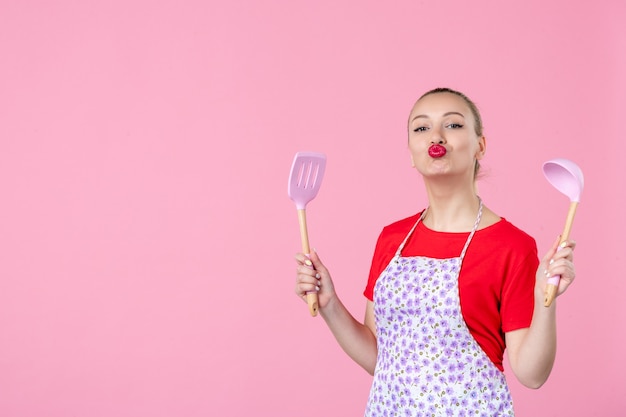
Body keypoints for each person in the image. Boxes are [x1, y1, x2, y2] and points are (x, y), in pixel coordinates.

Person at [293, 87, 576, 416]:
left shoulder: (511, 246)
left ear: (480, 146)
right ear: (411, 152)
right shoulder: (392, 239)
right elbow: (379, 357)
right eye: (421, 127)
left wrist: (547, 301)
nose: (435, 136)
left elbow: (531, 374)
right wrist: (329, 305)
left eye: (453, 125)